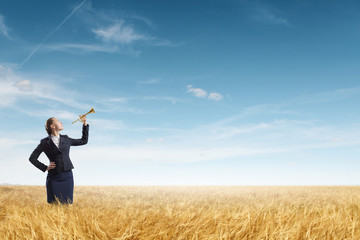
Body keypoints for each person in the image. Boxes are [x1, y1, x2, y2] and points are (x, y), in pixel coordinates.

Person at [29, 115, 89, 204]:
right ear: (52, 126)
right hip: (54, 177)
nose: (61, 122)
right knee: (54, 204)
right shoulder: (44, 142)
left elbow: (84, 141)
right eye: (58, 121)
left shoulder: (67, 139)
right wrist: (45, 167)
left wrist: (84, 124)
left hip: (67, 175)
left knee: (67, 203)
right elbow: (32, 158)